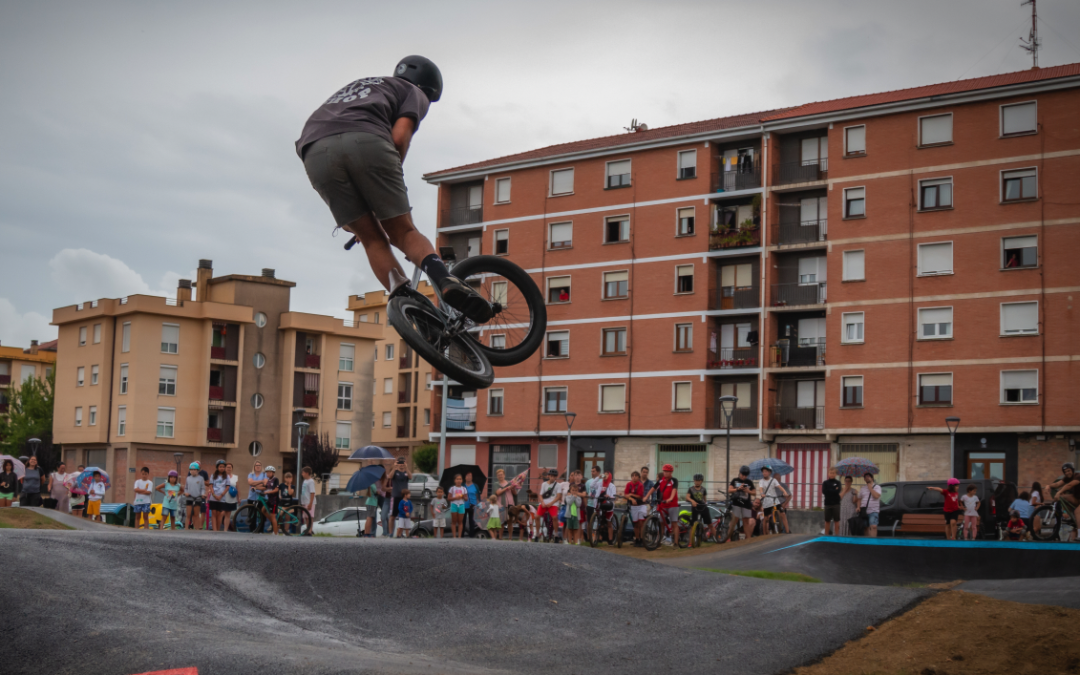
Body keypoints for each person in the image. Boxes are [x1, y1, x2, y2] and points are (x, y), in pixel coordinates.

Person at [296, 56, 491, 324]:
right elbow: (399, 137)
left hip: (313, 150)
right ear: (429, 89)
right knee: (403, 231)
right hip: (366, 140)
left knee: (371, 238)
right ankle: (445, 280)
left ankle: (408, 304)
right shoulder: (413, 92)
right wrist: (384, 190)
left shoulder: (363, 85)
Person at [758, 466, 790, 535]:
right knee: (766, 518)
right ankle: (764, 534)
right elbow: (760, 488)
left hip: (775, 500)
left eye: (766, 471)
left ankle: (788, 531)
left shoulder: (773, 480)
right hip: (767, 501)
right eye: (763, 472)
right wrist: (762, 493)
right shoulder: (761, 481)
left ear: (769, 472)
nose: (764, 473)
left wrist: (784, 492)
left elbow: (779, 487)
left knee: (783, 513)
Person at [728, 466, 756, 541]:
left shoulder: (749, 482)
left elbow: (754, 493)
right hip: (736, 503)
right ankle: (728, 538)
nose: (744, 476)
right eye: (742, 475)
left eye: (746, 475)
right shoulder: (735, 480)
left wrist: (748, 491)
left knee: (746, 522)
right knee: (734, 521)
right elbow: (729, 490)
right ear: (740, 473)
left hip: (746, 504)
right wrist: (738, 489)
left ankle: (748, 539)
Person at [655, 464, 680, 546]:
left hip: (672, 504)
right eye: (664, 471)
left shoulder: (674, 480)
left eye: (667, 471)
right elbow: (653, 488)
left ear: (671, 472)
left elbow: (674, 490)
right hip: (663, 504)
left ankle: (676, 543)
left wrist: (671, 498)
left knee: (674, 523)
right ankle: (659, 542)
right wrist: (646, 497)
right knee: (661, 523)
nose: (665, 473)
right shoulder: (660, 481)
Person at [491, 468, 517, 539]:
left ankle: (510, 538)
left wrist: (513, 488)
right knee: (501, 523)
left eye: (501, 475)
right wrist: (507, 488)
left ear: (504, 475)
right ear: (497, 476)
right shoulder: (496, 484)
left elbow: (515, 493)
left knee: (510, 522)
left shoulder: (509, 483)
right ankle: (500, 538)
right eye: (499, 475)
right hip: (501, 506)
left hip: (510, 505)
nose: (500, 476)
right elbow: (498, 492)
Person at [537, 469, 561, 542]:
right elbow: (540, 495)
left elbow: (558, 496)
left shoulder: (558, 485)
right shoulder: (544, 484)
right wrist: (542, 502)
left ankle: (556, 535)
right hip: (544, 503)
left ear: (556, 477)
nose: (552, 478)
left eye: (554, 476)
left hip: (553, 504)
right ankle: (537, 534)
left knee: (554, 517)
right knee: (537, 516)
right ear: (548, 476)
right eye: (551, 476)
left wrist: (551, 503)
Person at [624, 471, 646, 546]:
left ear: (638, 477)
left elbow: (640, 495)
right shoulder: (628, 484)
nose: (634, 477)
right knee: (636, 524)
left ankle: (642, 539)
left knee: (641, 523)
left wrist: (631, 495)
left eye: (636, 476)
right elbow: (626, 495)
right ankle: (637, 539)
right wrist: (631, 498)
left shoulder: (640, 485)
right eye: (633, 476)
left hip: (641, 505)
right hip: (633, 506)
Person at [685, 474, 711, 541]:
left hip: (703, 507)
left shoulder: (703, 489)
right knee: (692, 525)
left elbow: (705, 499)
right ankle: (690, 542)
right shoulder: (691, 489)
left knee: (710, 524)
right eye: (696, 481)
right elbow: (687, 497)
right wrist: (692, 501)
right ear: (694, 481)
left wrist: (705, 504)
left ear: (701, 481)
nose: (697, 482)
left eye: (699, 481)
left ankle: (719, 540)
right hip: (695, 507)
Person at [389, 458, 410, 534]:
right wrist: (394, 467)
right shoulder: (395, 472)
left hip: (404, 498)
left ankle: (402, 534)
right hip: (396, 496)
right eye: (400, 464)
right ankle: (391, 533)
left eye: (402, 464)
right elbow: (390, 477)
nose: (401, 465)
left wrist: (406, 467)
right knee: (393, 515)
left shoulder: (406, 473)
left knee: (404, 515)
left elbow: (410, 477)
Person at [208, 460, 231, 533]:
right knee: (214, 513)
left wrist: (221, 495)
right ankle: (214, 530)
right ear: (217, 467)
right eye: (220, 466)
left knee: (219, 514)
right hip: (213, 498)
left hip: (222, 498)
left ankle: (218, 530)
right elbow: (211, 486)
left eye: (223, 467)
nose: (222, 468)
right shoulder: (213, 475)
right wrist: (214, 495)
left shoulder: (227, 476)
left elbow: (227, 487)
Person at [859, 473, 883, 538]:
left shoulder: (877, 487)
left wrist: (870, 488)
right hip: (864, 511)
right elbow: (859, 498)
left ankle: (873, 543)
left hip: (873, 511)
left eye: (868, 476)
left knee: (873, 527)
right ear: (864, 479)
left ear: (872, 478)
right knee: (865, 527)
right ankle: (867, 543)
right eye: (865, 477)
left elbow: (876, 496)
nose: (867, 478)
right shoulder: (863, 488)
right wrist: (858, 507)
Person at [183, 462, 205, 530]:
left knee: (196, 515)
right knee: (188, 514)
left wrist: (202, 494)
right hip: (189, 497)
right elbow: (186, 488)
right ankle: (186, 528)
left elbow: (202, 488)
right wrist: (185, 493)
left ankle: (197, 529)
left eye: (194, 470)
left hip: (198, 498)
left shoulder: (201, 478)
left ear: (197, 470)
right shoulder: (188, 478)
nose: (193, 471)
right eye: (191, 470)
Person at [821, 468, 842, 536]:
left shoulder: (838, 483)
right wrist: (833, 490)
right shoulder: (825, 483)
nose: (832, 474)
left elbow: (837, 491)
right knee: (827, 520)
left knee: (836, 520)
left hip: (836, 504)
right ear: (828, 474)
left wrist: (830, 490)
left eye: (833, 473)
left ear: (835, 474)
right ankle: (826, 535)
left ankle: (836, 535)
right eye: (831, 473)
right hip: (827, 504)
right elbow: (824, 492)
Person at [583, 465, 601, 541]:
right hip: (590, 504)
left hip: (598, 504)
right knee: (589, 521)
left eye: (594, 471)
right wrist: (586, 504)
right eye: (591, 471)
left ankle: (596, 538)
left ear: (598, 472)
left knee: (597, 521)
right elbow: (586, 493)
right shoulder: (588, 482)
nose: (592, 473)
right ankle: (588, 538)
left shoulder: (601, 481)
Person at [448, 474, 468, 538]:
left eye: (460, 479)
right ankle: (454, 536)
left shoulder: (464, 489)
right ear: (455, 480)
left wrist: (463, 497)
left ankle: (459, 536)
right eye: (457, 479)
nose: (459, 480)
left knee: (460, 521)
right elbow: (449, 498)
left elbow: (466, 498)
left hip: (461, 505)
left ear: (462, 480)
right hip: (454, 504)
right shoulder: (452, 488)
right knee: (454, 521)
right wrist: (455, 498)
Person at [262, 466, 281, 535]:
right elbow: (265, 488)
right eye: (267, 472)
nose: (268, 474)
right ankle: (274, 523)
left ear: (273, 473)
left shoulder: (275, 479)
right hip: (269, 500)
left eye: (270, 472)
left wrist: (268, 492)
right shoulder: (268, 480)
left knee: (273, 517)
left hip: (274, 501)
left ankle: (276, 533)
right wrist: (255, 488)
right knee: (263, 510)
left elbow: (276, 490)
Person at [222, 462, 239, 530]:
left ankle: (225, 530)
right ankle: (216, 529)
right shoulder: (222, 476)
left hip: (232, 498)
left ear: (232, 468)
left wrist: (238, 497)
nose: (229, 468)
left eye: (230, 467)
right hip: (223, 498)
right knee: (221, 513)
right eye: (227, 467)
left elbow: (238, 488)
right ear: (225, 468)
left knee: (228, 515)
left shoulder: (235, 477)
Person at [463, 472, 479, 537]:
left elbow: (478, 496)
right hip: (463, 505)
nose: (469, 477)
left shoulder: (475, 486)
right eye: (467, 476)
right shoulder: (463, 485)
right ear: (465, 477)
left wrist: (478, 504)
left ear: (472, 477)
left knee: (472, 522)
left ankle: (471, 536)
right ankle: (461, 536)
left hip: (473, 505)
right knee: (463, 521)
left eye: (470, 476)